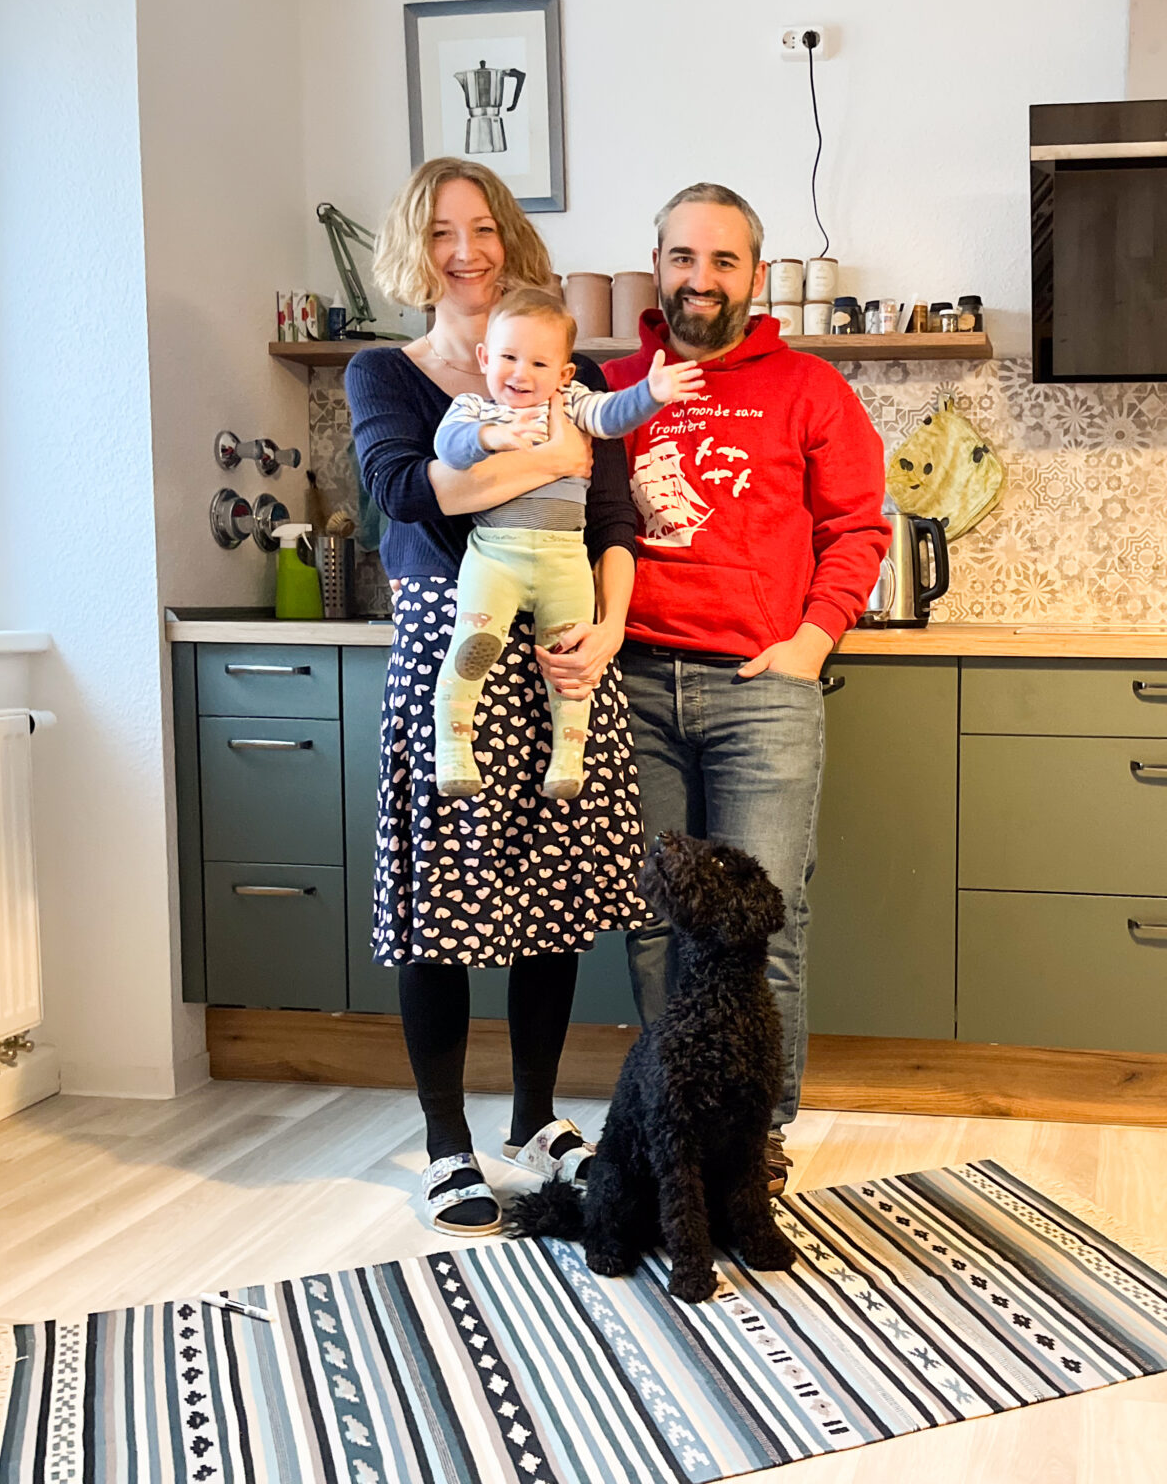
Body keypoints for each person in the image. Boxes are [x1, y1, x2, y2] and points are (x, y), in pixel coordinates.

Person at [345, 158, 648, 1237]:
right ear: (412, 249)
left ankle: (531, 1120)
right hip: (453, 649)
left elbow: (612, 514)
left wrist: (607, 631)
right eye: (440, 232)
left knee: (550, 897)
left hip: (563, 643)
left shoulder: (579, 370)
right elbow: (403, 492)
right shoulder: (385, 373)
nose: (464, 251)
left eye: (481, 228)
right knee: (439, 904)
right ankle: (444, 1143)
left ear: (510, 237)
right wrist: (550, 449)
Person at [602, 182, 889, 1196]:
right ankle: (675, 1127)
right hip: (633, 685)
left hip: (761, 688)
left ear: (755, 277)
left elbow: (858, 527)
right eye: (684, 257)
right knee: (654, 923)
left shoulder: (809, 388)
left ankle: (755, 1137)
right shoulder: (611, 391)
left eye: (724, 261)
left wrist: (812, 640)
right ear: (656, 266)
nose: (702, 279)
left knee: (762, 921)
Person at [431, 287, 702, 799]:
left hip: (565, 557)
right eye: (508, 357)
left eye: (539, 363)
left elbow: (613, 415)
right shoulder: (474, 408)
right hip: (495, 554)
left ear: (564, 373)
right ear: (485, 358)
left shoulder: (573, 403)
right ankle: (453, 750)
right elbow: (448, 447)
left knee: (571, 661)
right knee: (471, 646)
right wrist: (490, 437)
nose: (521, 373)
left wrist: (651, 394)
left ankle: (567, 760)